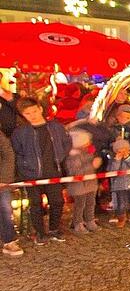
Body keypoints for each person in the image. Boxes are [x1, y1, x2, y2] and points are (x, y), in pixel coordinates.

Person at [11, 98, 71, 244]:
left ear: (40, 109)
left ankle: (54, 229)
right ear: (23, 115)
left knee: (57, 202)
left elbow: (66, 143)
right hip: (31, 174)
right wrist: (23, 169)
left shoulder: (55, 127)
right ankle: (39, 233)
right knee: (35, 205)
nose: (32, 115)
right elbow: (16, 152)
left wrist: (60, 157)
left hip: (53, 172)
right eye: (27, 113)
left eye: (34, 111)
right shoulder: (20, 132)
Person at [65, 128, 101, 234]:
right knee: (80, 205)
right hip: (79, 186)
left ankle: (90, 220)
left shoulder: (88, 152)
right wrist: (92, 165)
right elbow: (75, 171)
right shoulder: (73, 156)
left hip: (90, 183)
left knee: (91, 202)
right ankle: (78, 223)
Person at [109, 139, 130, 227]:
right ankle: (121, 219)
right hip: (119, 184)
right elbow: (112, 171)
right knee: (121, 203)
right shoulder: (113, 159)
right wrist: (117, 160)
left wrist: (128, 158)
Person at [0, 130, 23, 256]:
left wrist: (3, 179)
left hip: (1, 181)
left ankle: (9, 240)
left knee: (5, 210)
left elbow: (8, 154)